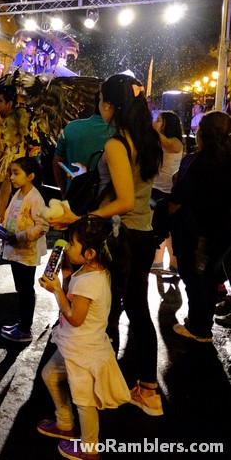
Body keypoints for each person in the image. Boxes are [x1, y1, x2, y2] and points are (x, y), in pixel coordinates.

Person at [47, 73, 164, 417]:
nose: (99, 105)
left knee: (107, 313)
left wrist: (82, 220)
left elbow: (124, 200)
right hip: (143, 232)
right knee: (138, 310)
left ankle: (98, 392)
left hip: (123, 236)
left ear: (109, 105)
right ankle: (147, 389)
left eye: (101, 99)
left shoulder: (117, 144)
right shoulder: (147, 140)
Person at [36, 215, 131, 460]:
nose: (66, 247)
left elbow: (75, 317)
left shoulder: (90, 281)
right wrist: (65, 275)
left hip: (82, 350)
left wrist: (57, 289)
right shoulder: (93, 271)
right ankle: (65, 424)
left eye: (72, 244)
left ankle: (90, 449)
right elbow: (74, 301)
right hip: (72, 344)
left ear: (89, 254)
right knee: (50, 375)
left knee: (84, 400)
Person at [169, 110, 231, 340]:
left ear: (202, 134)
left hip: (196, 232)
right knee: (209, 276)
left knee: (194, 278)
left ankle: (199, 327)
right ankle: (201, 320)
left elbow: (177, 198)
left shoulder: (195, 161)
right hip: (223, 232)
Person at [0, 157, 49, 342]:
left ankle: (25, 329)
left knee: (25, 290)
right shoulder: (18, 194)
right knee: (21, 288)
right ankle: (22, 324)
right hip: (17, 250)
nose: (12, 177)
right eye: (11, 173)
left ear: (30, 176)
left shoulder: (35, 198)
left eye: (16, 173)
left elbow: (42, 226)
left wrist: (19, 237)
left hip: (27, 251)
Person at [51, 93, 113, 197]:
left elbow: (57, 162)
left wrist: (64, 191)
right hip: (105, 203)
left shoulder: (71, 128)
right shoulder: (122, 133)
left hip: (73, 198)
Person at [150, 111, 183, 275]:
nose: (155, 123)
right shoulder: (156, 142)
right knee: (157, 227)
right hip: (155, 189)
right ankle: (157, 261)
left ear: (167, 124)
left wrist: (151, 130)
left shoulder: (176, 142)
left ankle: (173, 262)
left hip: (169, 191)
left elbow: (168, 145)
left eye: (158, 120)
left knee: (168, 229)